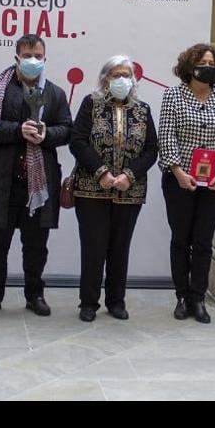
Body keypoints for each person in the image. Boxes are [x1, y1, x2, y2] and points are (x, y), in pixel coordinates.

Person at [0, 34, 73, 318]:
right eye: (27, 55)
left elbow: (67, 130)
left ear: (45, 58)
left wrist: (46, 134)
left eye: (38, 56)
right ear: (16, 57)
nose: (33, 60)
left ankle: (34, 295)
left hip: (38, 184)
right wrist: (18, 130)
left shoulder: (55, 93)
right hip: (1, 181)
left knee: (36, 247)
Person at [69, 55, 159, 321]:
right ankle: (88, 303)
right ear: (105, 78)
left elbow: (151, 149)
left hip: (130, 191)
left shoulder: (142, 109)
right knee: (93, 248)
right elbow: (77, 141)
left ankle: (116, 301)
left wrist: (129, 176)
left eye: (126, 75)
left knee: (120, 248)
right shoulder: (91, 104)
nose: (122, 80)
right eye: (116, 75)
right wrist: (102, 173)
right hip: (91, 190)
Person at [157, 43, 215, 323]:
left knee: (203, 242)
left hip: (213, 181)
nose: (207, 67)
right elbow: (166, 137)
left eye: (211, 63)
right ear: (189, 67)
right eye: (202, 63)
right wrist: (179, 172)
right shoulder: (173, 95)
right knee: (181, 239)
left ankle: (198, 297)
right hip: (179, 180)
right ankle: (182, 296)